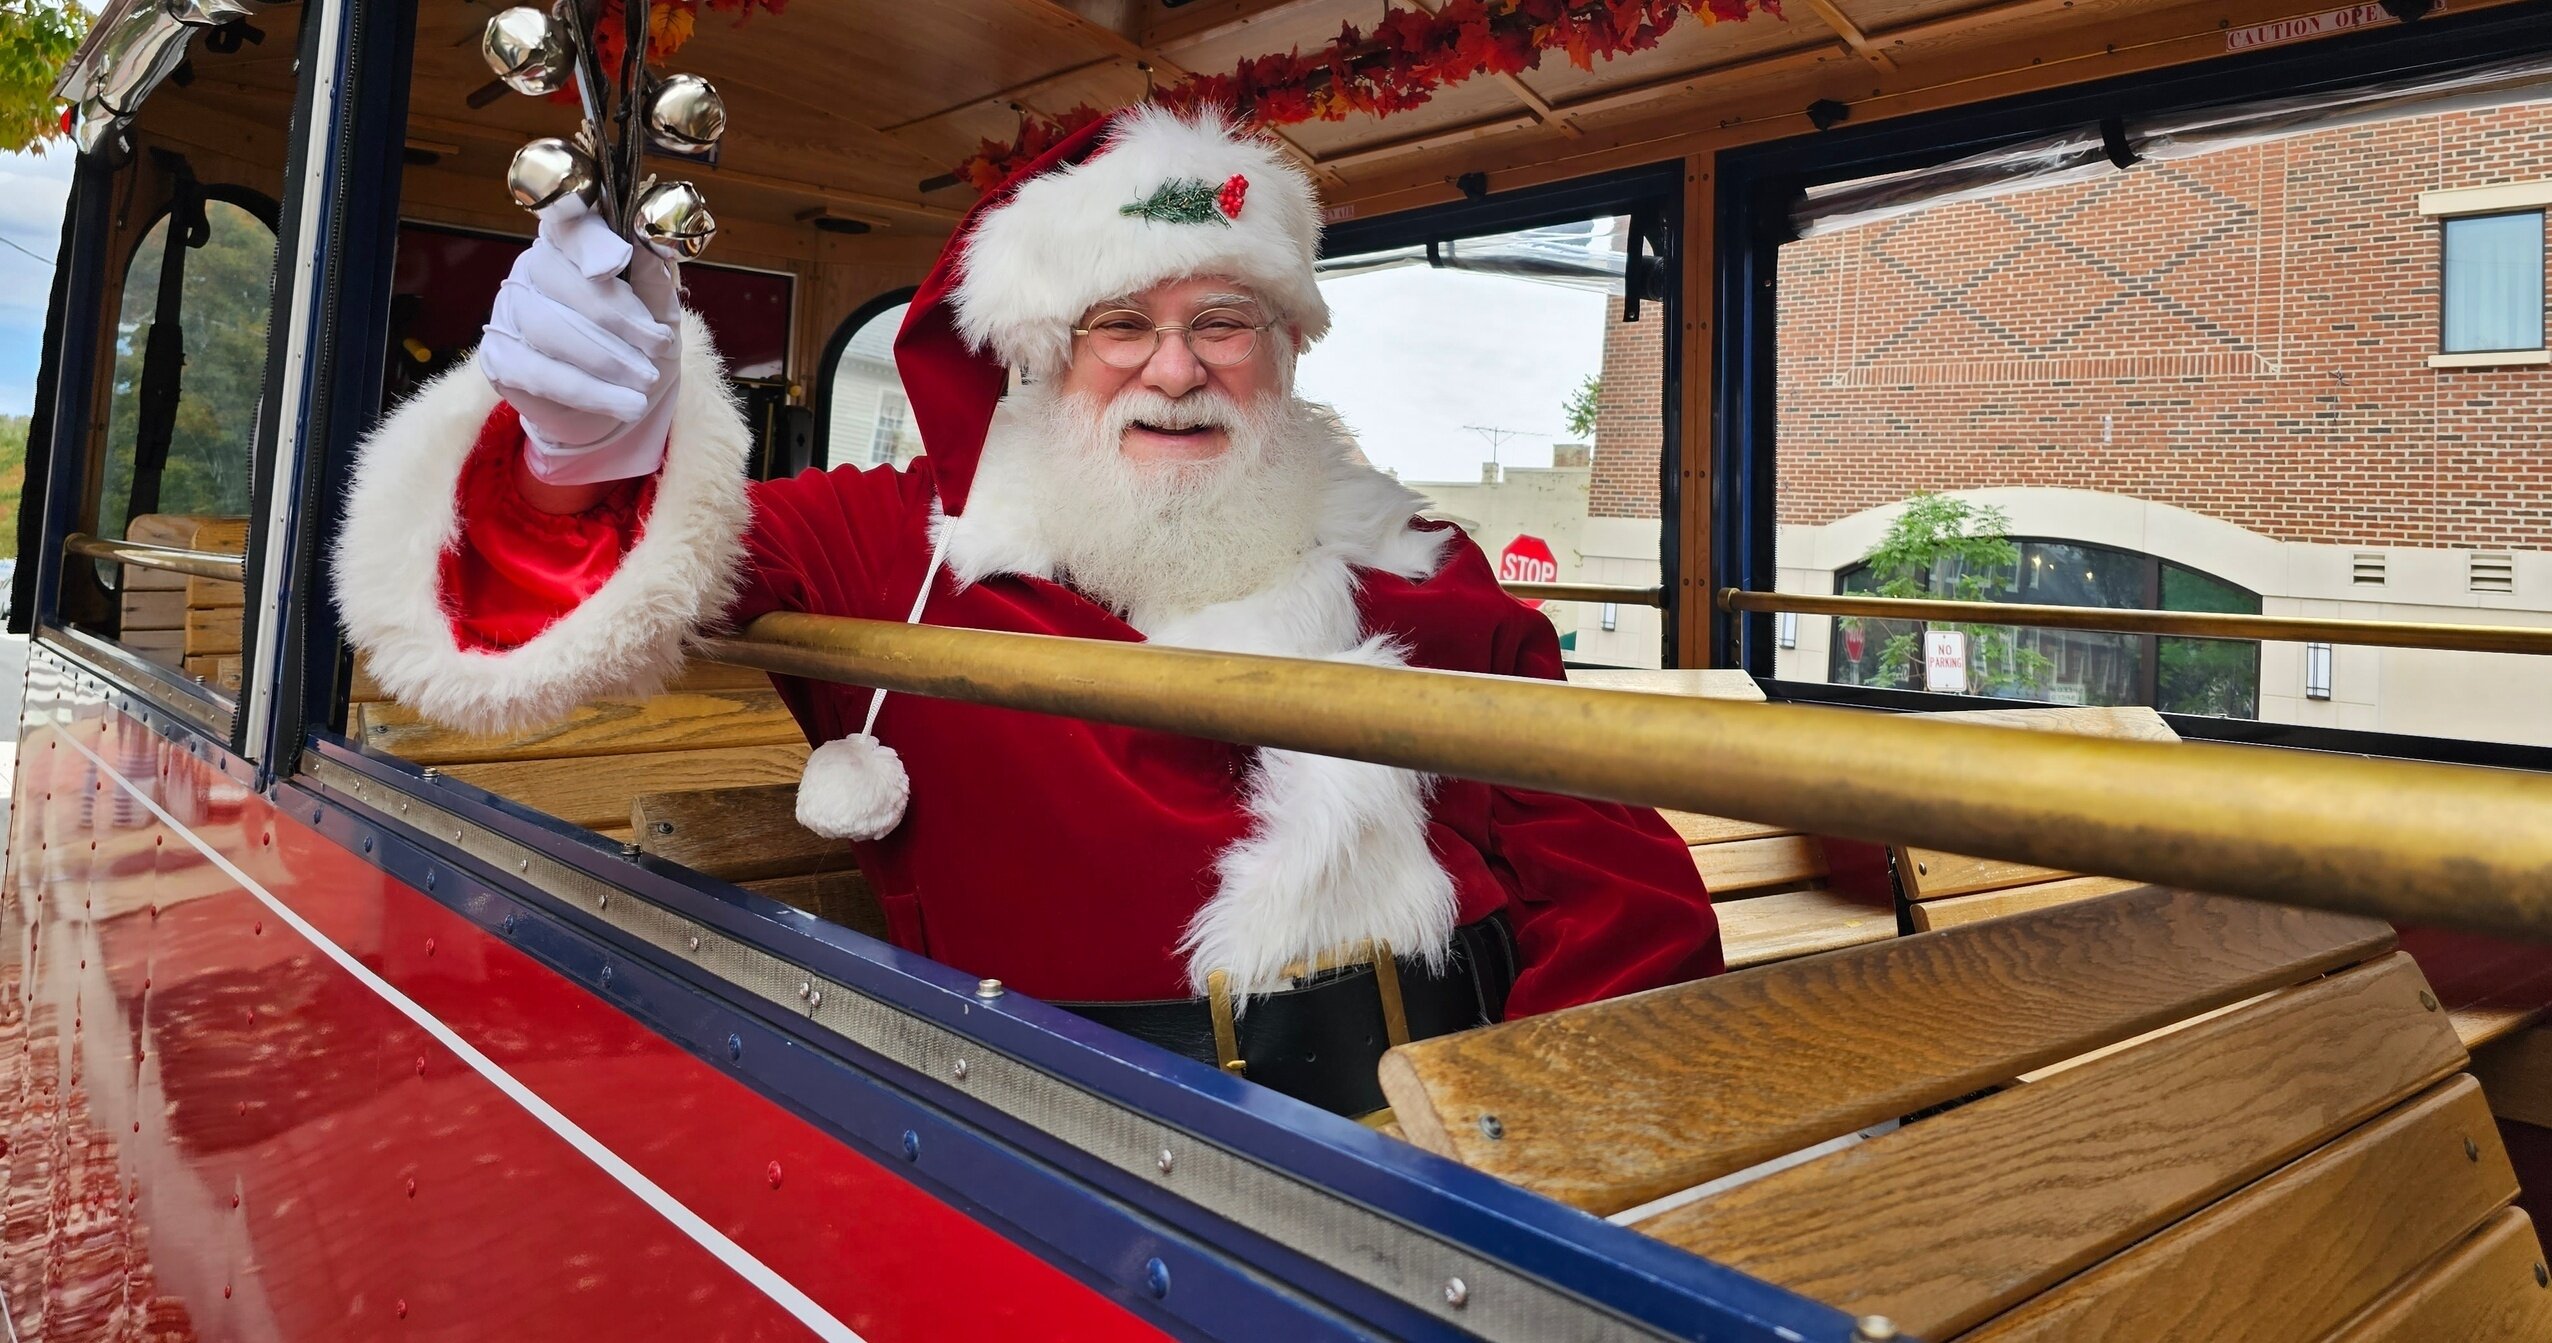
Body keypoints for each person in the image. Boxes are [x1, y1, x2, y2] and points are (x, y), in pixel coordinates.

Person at [334, 107, 1718, 1115]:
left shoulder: (1419, 567)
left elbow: (1615, 882)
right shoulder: (899, 549)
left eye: (1225, 321)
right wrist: (574, 457)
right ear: (1042, 354)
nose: (1173, 371)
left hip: (1466, 1119)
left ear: (1284, 350)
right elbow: (574, 596)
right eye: (1122, 325)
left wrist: (1563, 1152)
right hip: (1094, 1157)